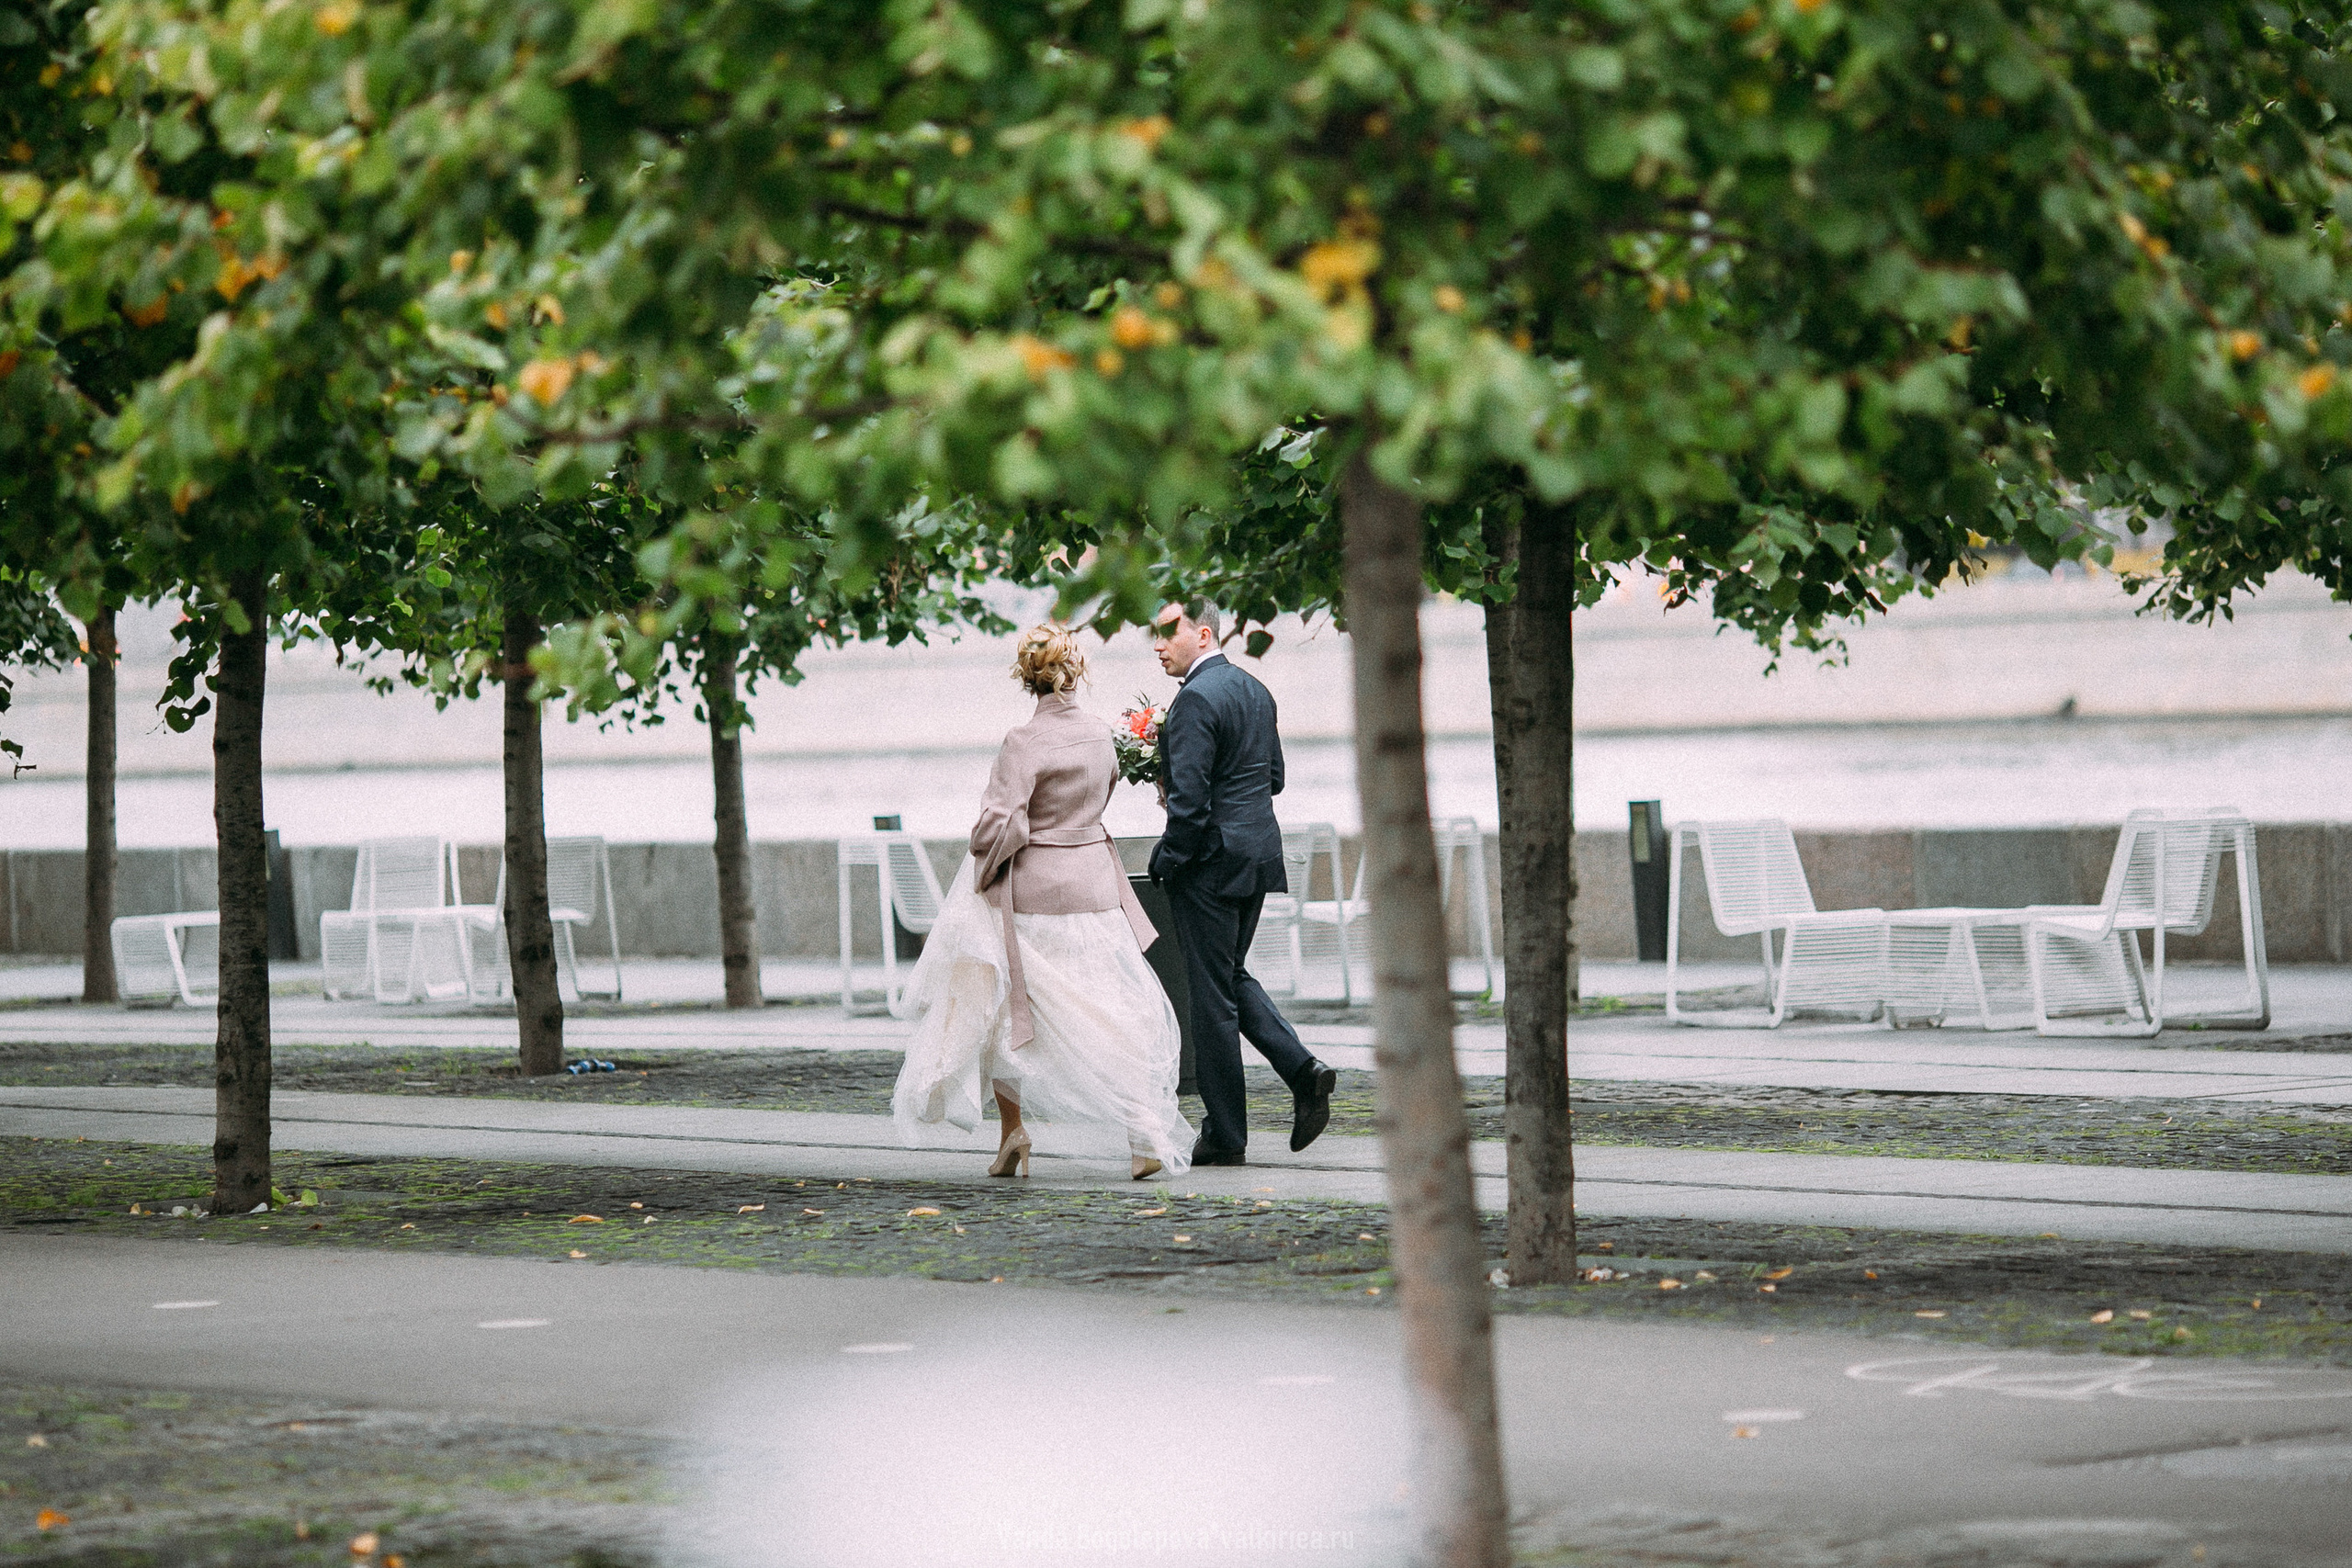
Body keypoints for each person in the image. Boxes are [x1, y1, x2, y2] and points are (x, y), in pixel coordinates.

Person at [892, 624, 1194, 1180]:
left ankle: (1014, 1134)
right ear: (1076, 670)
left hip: (1034, 896)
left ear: (1026, 677)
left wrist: (983, 842)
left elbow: (1002, 822)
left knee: (1008, 1010)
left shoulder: (1023, 741)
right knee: (1111, 1007)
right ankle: (1143, 1134)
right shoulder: (1102, 735)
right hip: (1096, 890)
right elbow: (1100, 797)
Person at [1148, 601, 1337, 1167]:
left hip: (1209, 864)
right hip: (1256, 856)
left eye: (1165, 635)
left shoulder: (1195, 699)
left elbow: (1189, 807)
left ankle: (1226, 1134)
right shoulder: (1255, 690)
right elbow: (1273, 779)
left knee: (1211, 999)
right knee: (1227, 976)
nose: (1157, 646)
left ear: (1202, 634)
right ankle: (1304, 1073)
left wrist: (1167, 859)